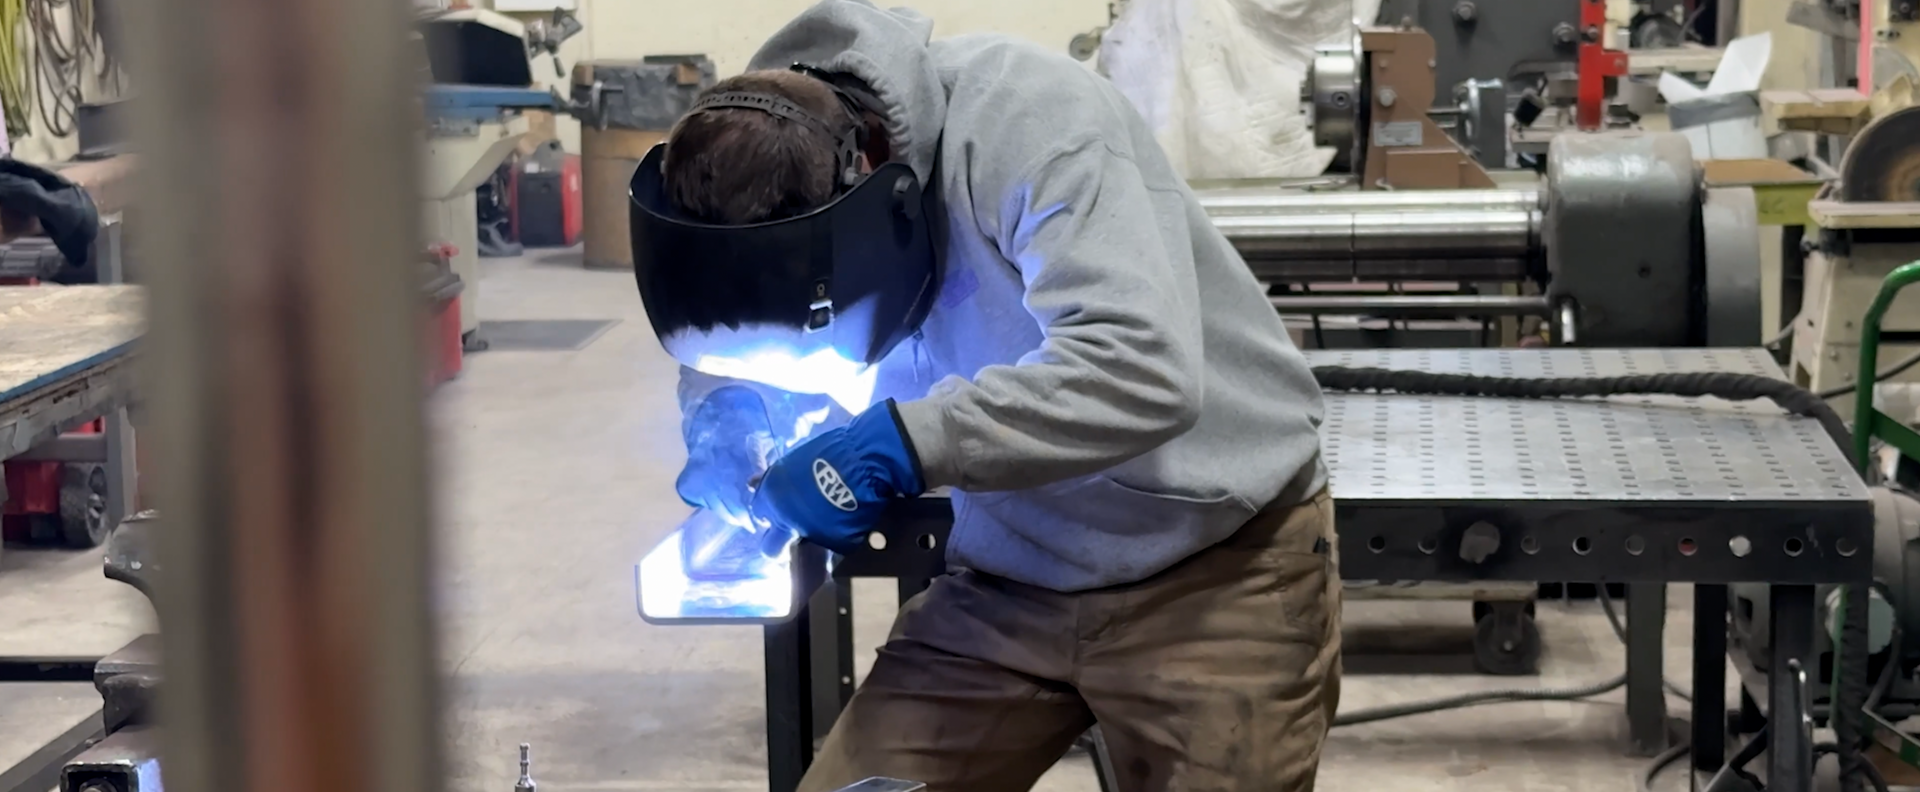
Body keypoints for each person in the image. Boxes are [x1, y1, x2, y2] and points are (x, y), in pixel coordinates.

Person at [627, 1, 1338, 789]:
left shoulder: (1032, 121)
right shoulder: (771, 172)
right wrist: (725, 402)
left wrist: (902, 443)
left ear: (876, 169)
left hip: (1209, 564)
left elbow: (1141, 367)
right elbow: (740, 303)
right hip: (1009, 576)